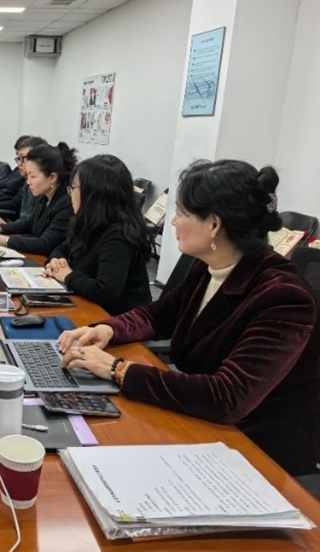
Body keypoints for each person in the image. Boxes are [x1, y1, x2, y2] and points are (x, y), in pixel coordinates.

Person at [58, 159, 320, 476]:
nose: (172, 222)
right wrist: (108, 330)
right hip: (203, 420)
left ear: (214, 225)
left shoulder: (283, 297)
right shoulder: (210, 266)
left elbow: (228, 397)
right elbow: (159, 315)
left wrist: (119, 369)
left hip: (256, 449)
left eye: (181, 213)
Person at [44, 155, 151, 315]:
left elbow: (105, 291)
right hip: (88, 305)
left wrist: (67, 276)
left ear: (94, 194)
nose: (70, 194)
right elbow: (61, 248)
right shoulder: (91, 222)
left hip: (118, 319)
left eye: (73, 188)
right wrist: (56, 260)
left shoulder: (119, 235)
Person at [0, 142, 76, 256]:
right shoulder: (45, 196)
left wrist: (4, 240)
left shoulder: (66, 204)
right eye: (28, 176)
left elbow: (45, 244)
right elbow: (30, 223)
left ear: (52, 177)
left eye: (32, 176)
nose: (28, 182)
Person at [0, 135, 46, 219]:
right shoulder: (25, 182)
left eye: (23, 158)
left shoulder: (40, 189)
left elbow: (16, 206)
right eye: (18, 158)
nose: (19, 163)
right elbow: (27, 222)